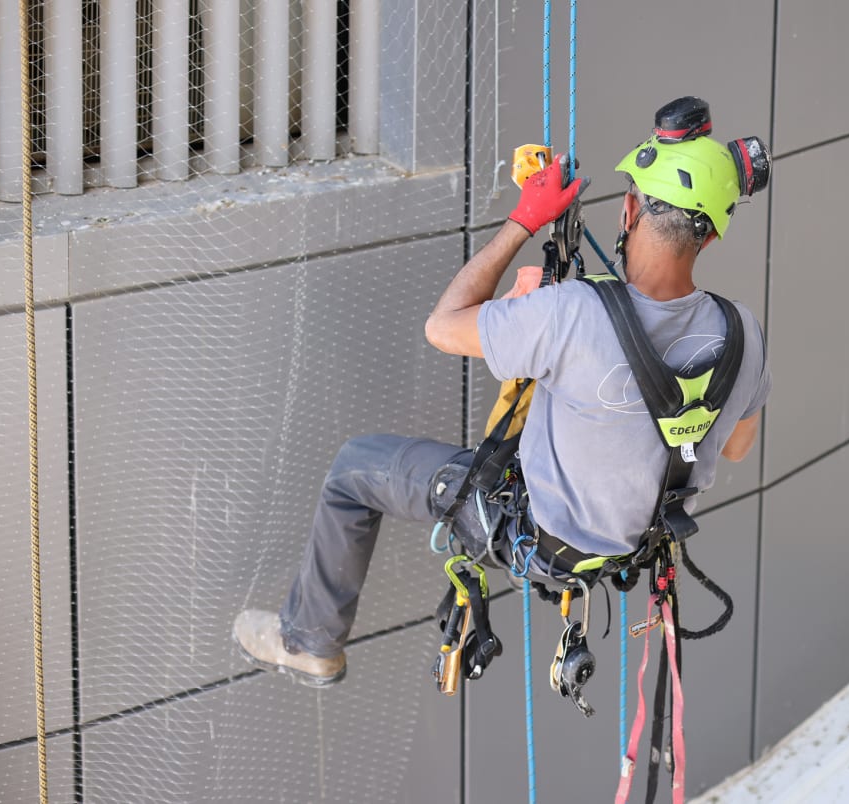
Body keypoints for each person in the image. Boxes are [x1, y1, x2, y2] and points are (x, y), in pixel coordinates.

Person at [233, 98, 772, 687]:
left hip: (538, 539)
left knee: (354, 469)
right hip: (633, 547)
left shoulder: (570, 313)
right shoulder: (742, 332)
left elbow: (442, 327)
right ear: (710, 237)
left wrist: (525, 220)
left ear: (630, 209)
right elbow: (736, 446)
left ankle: (310, 640)